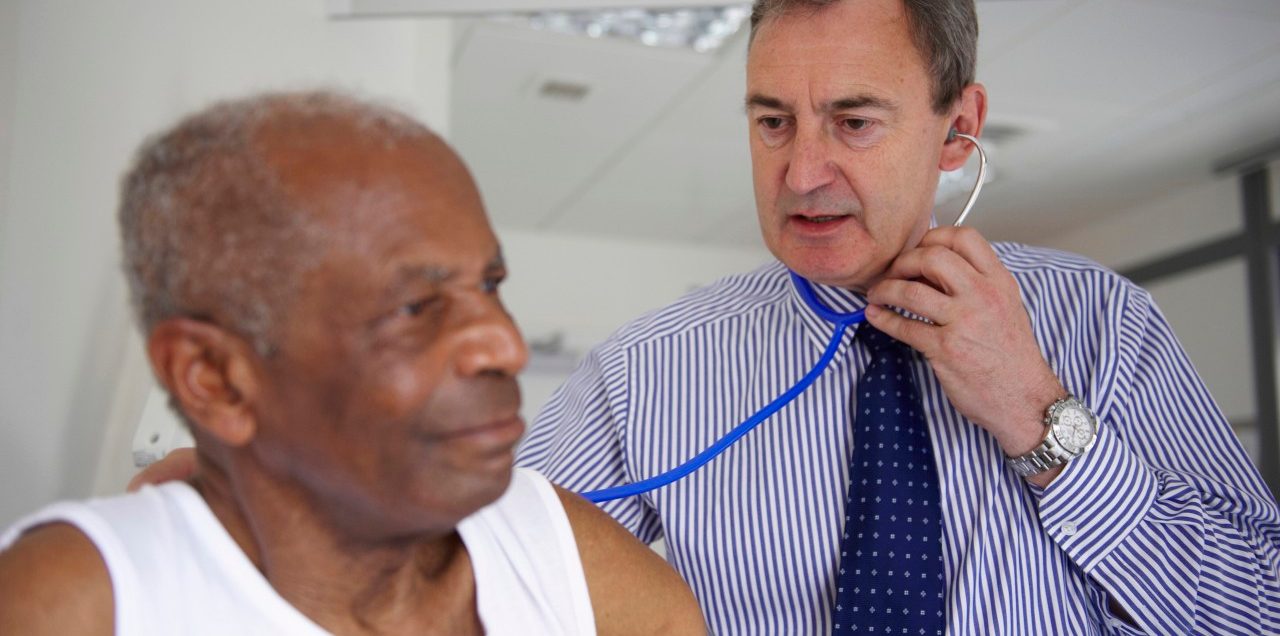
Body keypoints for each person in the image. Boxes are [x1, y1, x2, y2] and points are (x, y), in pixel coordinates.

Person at [516, 0, 1280, 634]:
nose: (803, 174)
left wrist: (1033, 409)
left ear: (958, 128)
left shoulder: (1101, 319)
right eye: (774, 122)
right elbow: (477, 571)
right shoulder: (645, 371)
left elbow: (1258, 608)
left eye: (854, 122)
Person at [0, 91, 706, 635]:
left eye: (489, 285)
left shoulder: (555, 548)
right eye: (412, 307)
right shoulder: (76, 601)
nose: (504, 344)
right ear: (215, 380)